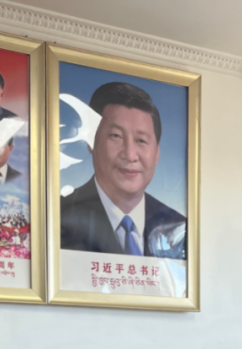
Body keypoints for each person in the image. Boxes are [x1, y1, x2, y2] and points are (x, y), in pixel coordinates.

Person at [60, 81, 186, 258]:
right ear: (91, 141)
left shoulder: (179, 227)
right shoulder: (57, 217)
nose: (130, 155)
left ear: (157, 153)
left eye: (141, 140)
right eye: (116, 136)